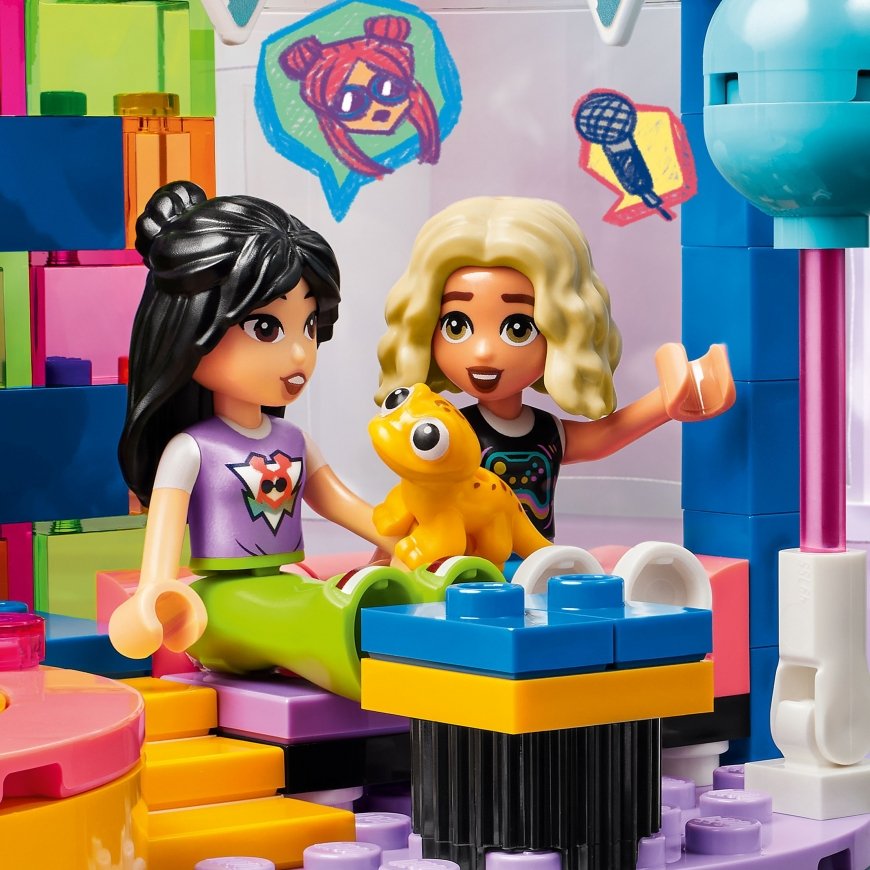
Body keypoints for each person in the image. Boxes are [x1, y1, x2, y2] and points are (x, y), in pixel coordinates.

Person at [109, 180, 415, 700]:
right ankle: (364, 666)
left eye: (309, 326)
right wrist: (156, 594)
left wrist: (406, 542)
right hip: (219, 610)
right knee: (314, 612)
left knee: (326, 599)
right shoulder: (191, 450)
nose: (299, 355)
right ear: (191, 332)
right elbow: (161, 548)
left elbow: (341, 504)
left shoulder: (294, 439)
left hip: (286, 588)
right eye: (267, 329)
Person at [376, 196, 735, 541]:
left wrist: (666, 402)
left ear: (564, 331)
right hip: (468, 563)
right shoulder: (446, 433)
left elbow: (605, 436)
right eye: (456, 326)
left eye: (518, 328)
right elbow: (414, 500)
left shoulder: (546, 431)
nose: (483, 352)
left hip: (541, 561)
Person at [279, 15, 441, 177]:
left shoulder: (414, 143)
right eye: (350, 103)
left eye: (389, 89)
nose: (378, 110)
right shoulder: (333, 168)